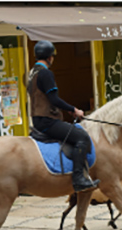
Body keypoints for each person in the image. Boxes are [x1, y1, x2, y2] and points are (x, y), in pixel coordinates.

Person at [28, 40, 98, 192]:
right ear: (50, 57)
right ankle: (79, 178)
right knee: (82, 138)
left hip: (37, 119)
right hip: (47, 121)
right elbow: (53, 99)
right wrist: (74, 109)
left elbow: (45, 98)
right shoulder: (46, 73)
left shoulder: (32, 72)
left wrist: (66, 109)